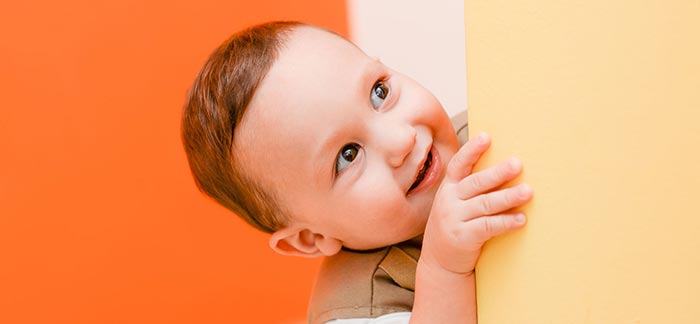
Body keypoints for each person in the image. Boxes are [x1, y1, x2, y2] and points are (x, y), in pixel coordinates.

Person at [181, 21, 533, 324]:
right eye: (348, 156)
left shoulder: (482, 131)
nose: (401, 140)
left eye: (379, 92)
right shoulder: (358, 306)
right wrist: (443, 270)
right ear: (310, 238)